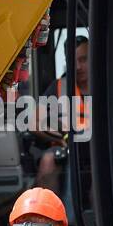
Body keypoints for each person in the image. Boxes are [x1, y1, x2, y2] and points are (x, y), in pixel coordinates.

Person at [35, 36, 88, 192]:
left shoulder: (107, 84)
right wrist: (61, 137)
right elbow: (34, 123)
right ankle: (52, 213)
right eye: (73, 61)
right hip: (68, 149)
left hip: (100, 148)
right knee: (47, 162)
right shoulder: (59, 86)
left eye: (83, 59)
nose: (78, 66)